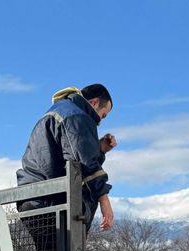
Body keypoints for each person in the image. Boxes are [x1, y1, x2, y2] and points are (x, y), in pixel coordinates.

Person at [17, 84, 116, 230]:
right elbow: (83, 162)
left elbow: (70, 154)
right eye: (103, 115)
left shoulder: (58, 111)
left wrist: (99, 150)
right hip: (52, 202)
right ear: (94, 102)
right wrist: (104, 200)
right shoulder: (77, 116)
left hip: (31, 199)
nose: (100, 121)